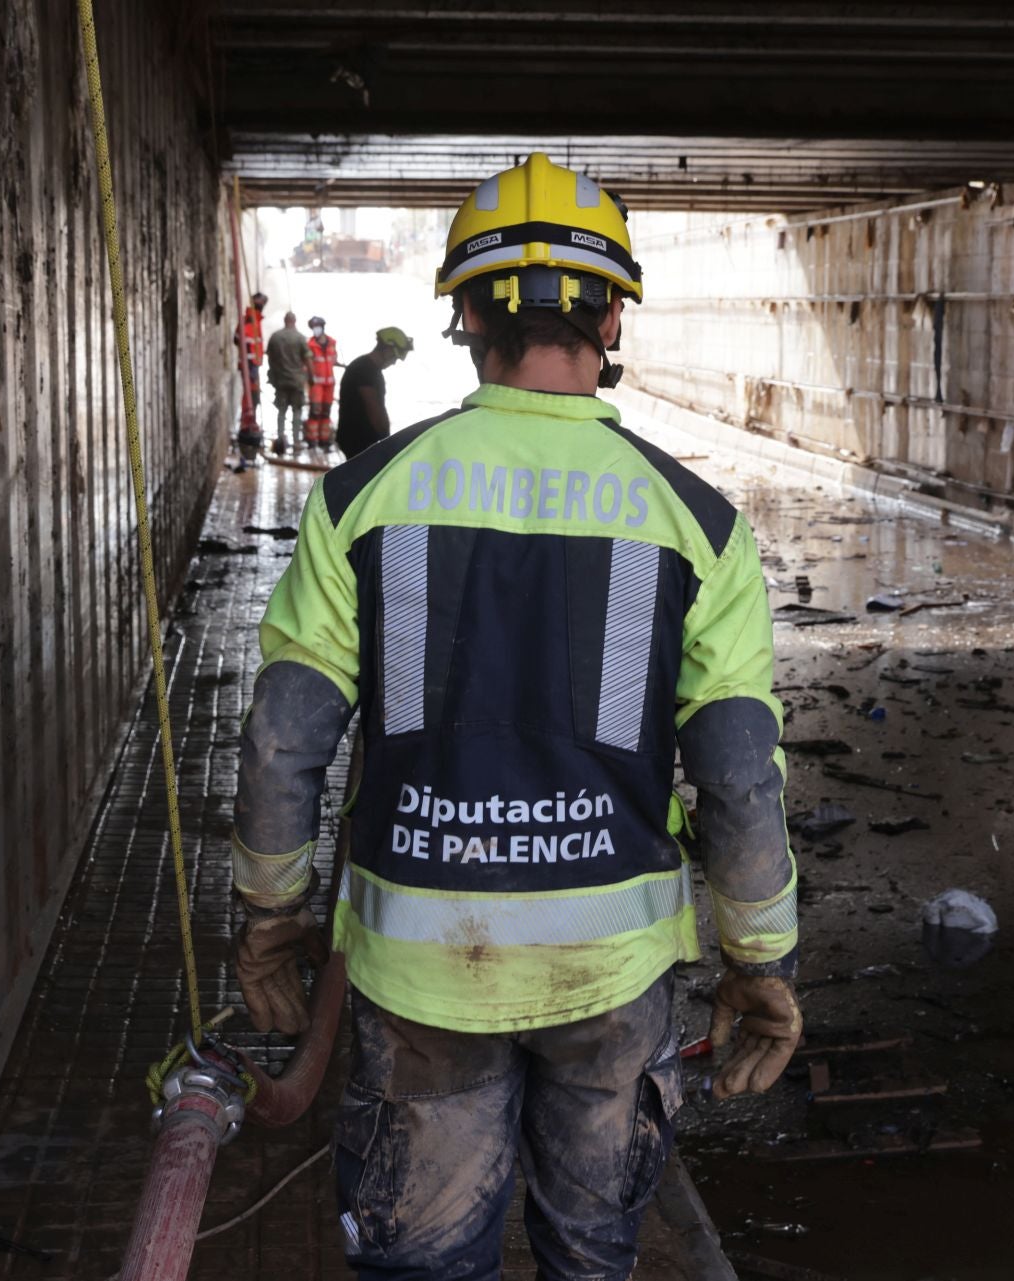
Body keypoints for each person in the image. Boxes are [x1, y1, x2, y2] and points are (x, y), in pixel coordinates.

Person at [232, 152, 801, 1280]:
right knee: (592, 1258)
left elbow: (284, 740)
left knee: (427, 1263)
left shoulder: (364, 498)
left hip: (421, 975)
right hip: (611, 978)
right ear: (612, 317)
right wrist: (761, 957)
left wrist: (270, 916)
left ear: (462, 314)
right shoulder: (698, 523)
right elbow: (737, 773)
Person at [334, 326, 413, 458]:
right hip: (358, 442)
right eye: (395, 356)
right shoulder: (365, 371)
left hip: (356, 440)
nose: (394, 362)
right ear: (386, 349)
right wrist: (387, 444)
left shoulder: (365, 367)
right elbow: (375, 410)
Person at [264, 310, 310, 456]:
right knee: (297, 411)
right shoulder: (301, 338)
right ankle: (296, 442)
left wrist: (273, 375)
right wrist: (312, 378)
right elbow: (308, 359)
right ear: (294, 321)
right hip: (296, 382)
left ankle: (280, 440)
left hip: (281, 381)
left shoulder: (275, 337)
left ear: (285, 320)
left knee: (281, 411)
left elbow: (270, 358)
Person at [236, 290, 268, 458]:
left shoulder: (255, 320)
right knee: (251, 397)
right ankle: (247, 425)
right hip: (250, 366)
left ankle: (250, 421)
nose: (262, 306)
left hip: (252, 365)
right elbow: (240, 340)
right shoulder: (250, 320)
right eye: (261, 303)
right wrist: (250, 364)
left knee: (253, 397)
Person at [304, 315, 339, 451]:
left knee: (326, 412)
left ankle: (324, 440)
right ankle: (312, 440)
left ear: (323, 328)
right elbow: (306, 365)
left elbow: (333, 360)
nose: (316, 330)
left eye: (317, 327)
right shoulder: (310, 345)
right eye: (313, 328)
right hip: (316, 383)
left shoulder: (332, 343)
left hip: (329, 383)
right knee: (315, 411)